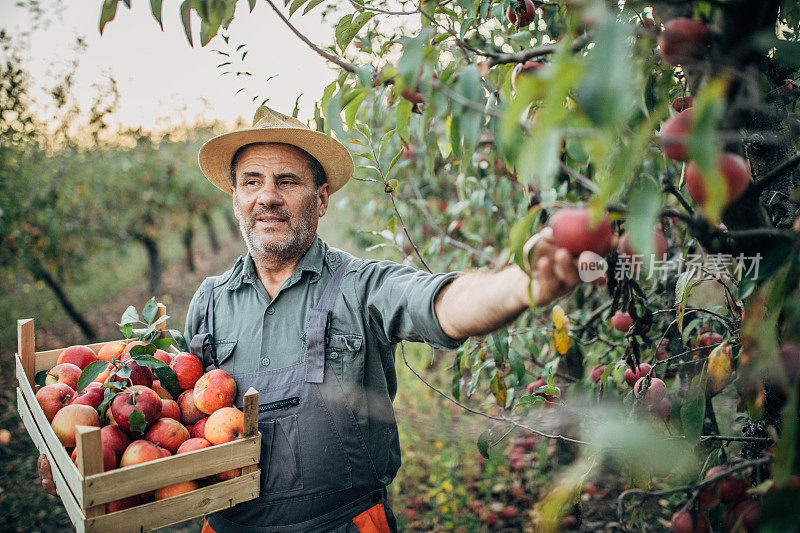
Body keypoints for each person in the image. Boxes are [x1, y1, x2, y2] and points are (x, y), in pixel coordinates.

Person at [38, 106, 583, 532]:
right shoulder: (208, 300)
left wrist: (520, 284)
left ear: (321, 199)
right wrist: (85, 466)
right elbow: (176, 422)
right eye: (251, 182)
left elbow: (441, 304)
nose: (267, 197)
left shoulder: (361, 287)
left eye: (288, 181)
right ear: (235, 199)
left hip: (345, 526)